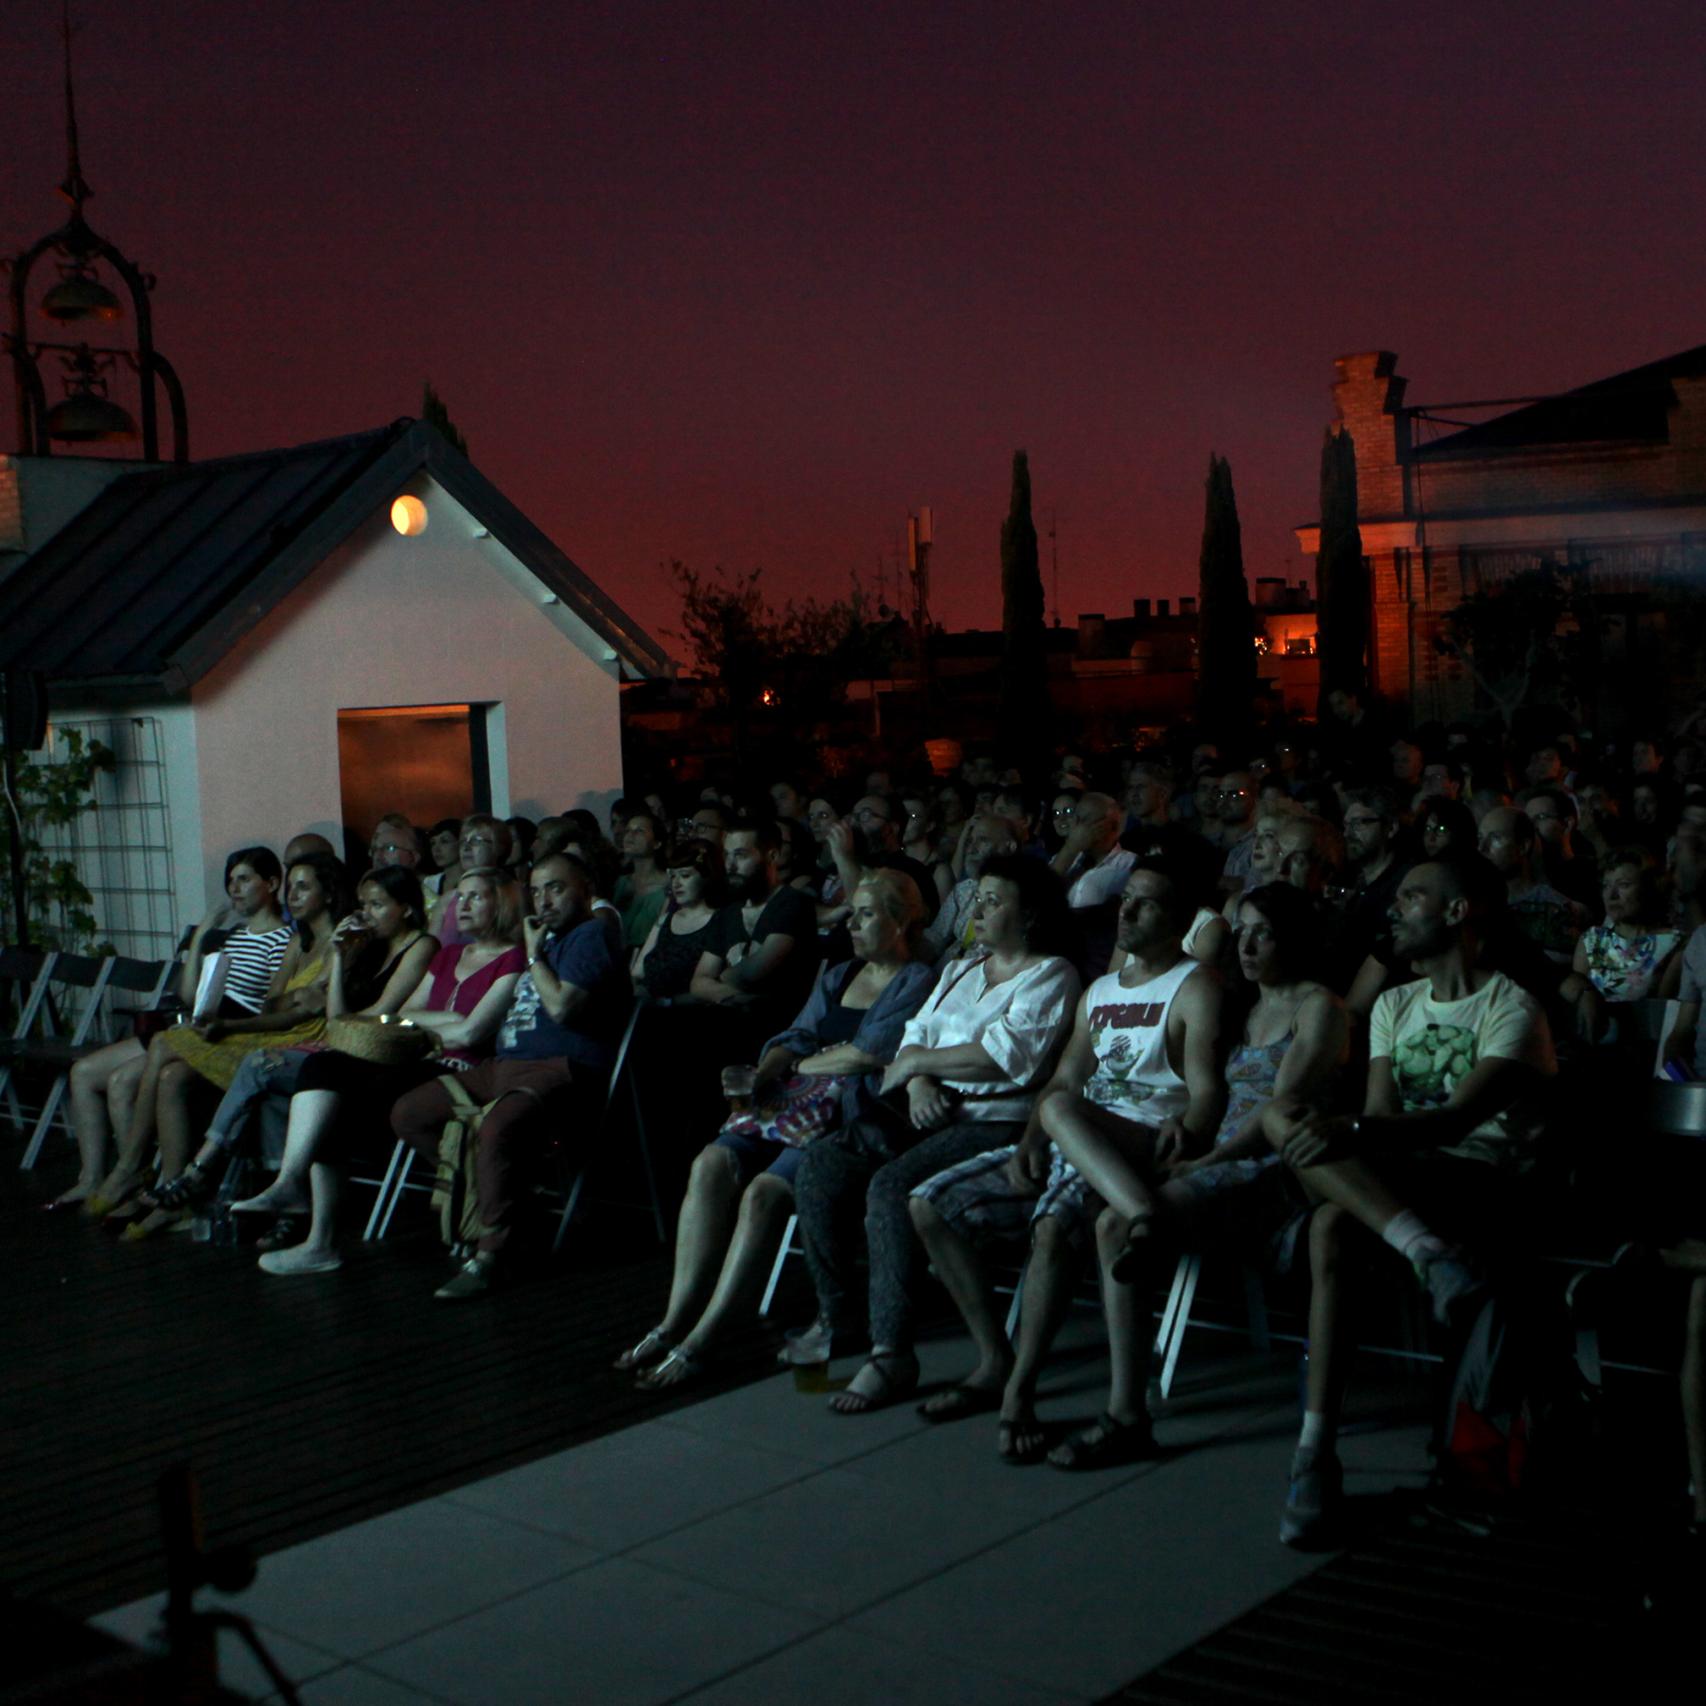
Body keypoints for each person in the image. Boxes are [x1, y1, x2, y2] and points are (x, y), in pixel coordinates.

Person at [1262, 852, 1557, 1545]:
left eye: (1412, 898)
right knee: (1285, 1125)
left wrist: (1352, 1132)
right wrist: (1351, 1132)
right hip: (1407, 1185)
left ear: (1457, 912)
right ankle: (1316, 1451)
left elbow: (1455, 1121)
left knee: (1332, 1219)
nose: (1393, 911)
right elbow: (1381, 1118)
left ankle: (1314, 1460)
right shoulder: (1395, 1003)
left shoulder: (1512, 1006)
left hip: (1484, 1184)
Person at [908, 856, 1223, 1461]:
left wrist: (1194, 1128)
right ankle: (995, 1361)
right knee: (930, 1203)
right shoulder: (1101, 990)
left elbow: (1207, 1086)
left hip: (1139, 1139)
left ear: (1180, 918)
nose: (1126, 911)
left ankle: (1018, 1395)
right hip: (1071, 1135)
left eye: (1147, 903)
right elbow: (1064, 1080)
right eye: (1126, 898)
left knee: (1053, 1220)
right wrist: (1030, 1141)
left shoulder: (1194, 984)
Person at [1045, 883, 1347, 1468]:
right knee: (1077, 1144)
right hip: (1213, 1156)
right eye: (1242, 933)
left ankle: (1126, 1415)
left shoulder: (1320, 1007)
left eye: (1265, 932)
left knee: (1115, 1226)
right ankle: (1127, 1407)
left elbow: (1278, 1116)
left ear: (1295, 939)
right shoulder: (1243, 1006)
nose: (1248, 945)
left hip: (1271, 1166)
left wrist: (1207, 1159)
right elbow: (1201, 1087)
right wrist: (1184, 1130)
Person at [617, 873, 934, 1383]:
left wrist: (803, 1066)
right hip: (793, 1105)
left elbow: (868, 1053)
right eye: (852, 912)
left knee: (763, 1193)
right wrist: (768, 1070)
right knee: (709, 1164)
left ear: (902, 921)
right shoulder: (839, 975)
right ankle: (674, 1322)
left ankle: (706, 1338)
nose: (851, 923)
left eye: (867, 914)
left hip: (847, 1121)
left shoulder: (915, 980)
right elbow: (797, 1034)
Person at [791, 854, 1080, 1411]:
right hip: (923, 1107)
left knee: (891, 1187)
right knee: (824, 1162)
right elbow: (914, 1035)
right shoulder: (963, 968)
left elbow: (1007, 1057)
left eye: (995, 900)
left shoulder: (1051, 974)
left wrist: (921, 1063)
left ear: (1030, 915)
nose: (978, 907)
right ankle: (837, 1313)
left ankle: (892, 1353)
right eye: (979, 897)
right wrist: (919, 1079)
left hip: (994, 1121)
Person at [238, 867, 526, 1274]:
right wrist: (443, 1022)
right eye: (459, 897)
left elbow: (474, 1030)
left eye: (476, 897)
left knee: (339, 1095)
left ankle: (316, 1232)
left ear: (503, 903)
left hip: (461, 1071)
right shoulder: (448, 956)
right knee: (325, 1067)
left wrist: (436, 1023)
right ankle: (294, 1190)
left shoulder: (514, 960)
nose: (461, 905)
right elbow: (404, 1018)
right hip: (418, 1059)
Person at [391, 852, 632, 1297]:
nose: (543, 900)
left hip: (560, 1070)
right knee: (410, 1112)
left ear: (585, 890)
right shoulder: (549, 939)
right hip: (502, 1067)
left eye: (555, 888)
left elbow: (562, 1006)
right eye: (537, 890)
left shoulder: (591, 935)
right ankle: (497, 1202)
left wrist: (534, 955)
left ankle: (490, 1255)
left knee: (496, 1127)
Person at [149, 866, 439, 1228]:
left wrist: (330, 1005)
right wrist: (339, 957)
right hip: (341, 1044)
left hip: (376, 1055)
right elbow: (333, 1015)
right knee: (268, 1085)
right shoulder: (369, 947)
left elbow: (375, 1015)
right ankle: (284, 1203)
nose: (366, 913)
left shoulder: (421, 946)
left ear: (406, 909)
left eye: (377, 905)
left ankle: (202, 1168)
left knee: (259, 1064)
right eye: (364, 904)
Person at [104, 852, 354, 1236]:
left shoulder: (341, 944)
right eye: (291, 887)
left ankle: (131, 1168)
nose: (293, 896)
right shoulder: (299, 943)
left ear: (329, 892)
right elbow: (277, 1003)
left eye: (303, 887)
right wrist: (296, 999)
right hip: (270, 1027)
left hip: (301, 1043)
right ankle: (170, 1189)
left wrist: (248, 1021)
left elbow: (309, 1014)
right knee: (170, 1074)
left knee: (165, 1045)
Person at [63, 849, 292, 1215]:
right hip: (199, 1021)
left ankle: (138, 1176)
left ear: (272, 884)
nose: (234, 888)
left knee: (131, 1079)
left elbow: (267, 1006)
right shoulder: (237, 936)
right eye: (231, 880)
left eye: (244, 879)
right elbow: (190, 995)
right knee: (85, 1071)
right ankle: (107, 1177)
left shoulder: (280, 941)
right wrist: (201, 938)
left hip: (229, 1033)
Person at [689, 822, 819, 1034]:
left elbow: (756, 970)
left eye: (740, 855)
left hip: (780, 1028)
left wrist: (720, 979)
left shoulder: (793, 903)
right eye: (727, 854)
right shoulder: (727, 913)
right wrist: (736, 996)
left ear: (772, 856)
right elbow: (699, 982)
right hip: (730, 1026)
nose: (730, 865)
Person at [1560, 849, 1682, 1041]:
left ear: (1649, 888)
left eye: (1623, 885)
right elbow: (1578, 1006)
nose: (1611, 895)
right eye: (1606, 886)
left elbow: (1665, 1015)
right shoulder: (1591, 941)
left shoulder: (1673, 943)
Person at [1478, 806, 1584, 964]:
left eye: (1496, 838)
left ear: (1523, 846)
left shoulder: (1552, 909)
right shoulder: (1475, 903)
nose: (1482, 848)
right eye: (1480, 838)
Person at [919, 812, 1021, 965]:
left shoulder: (1020, 895)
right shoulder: (964, 890)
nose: (972, 848)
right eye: (970, 841)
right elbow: (936, 936)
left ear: (1010, 846)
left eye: (982, 840)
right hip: (944, 975)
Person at [632, 841, 726, 1001]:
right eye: (673, 876)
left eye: (685, 875)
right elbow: (638, 971)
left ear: (707, 876)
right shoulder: (666, 920)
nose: (676, 883)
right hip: (648, 1007)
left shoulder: (720, 921)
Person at [1050, 793, 1135, 909]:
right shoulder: (1063, 858)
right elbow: (1039, 893)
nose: (1077, 827)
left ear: (1112, 826)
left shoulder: (1128, 865)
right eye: (1076, 820)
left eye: (1084, 820)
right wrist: (1070, 848)